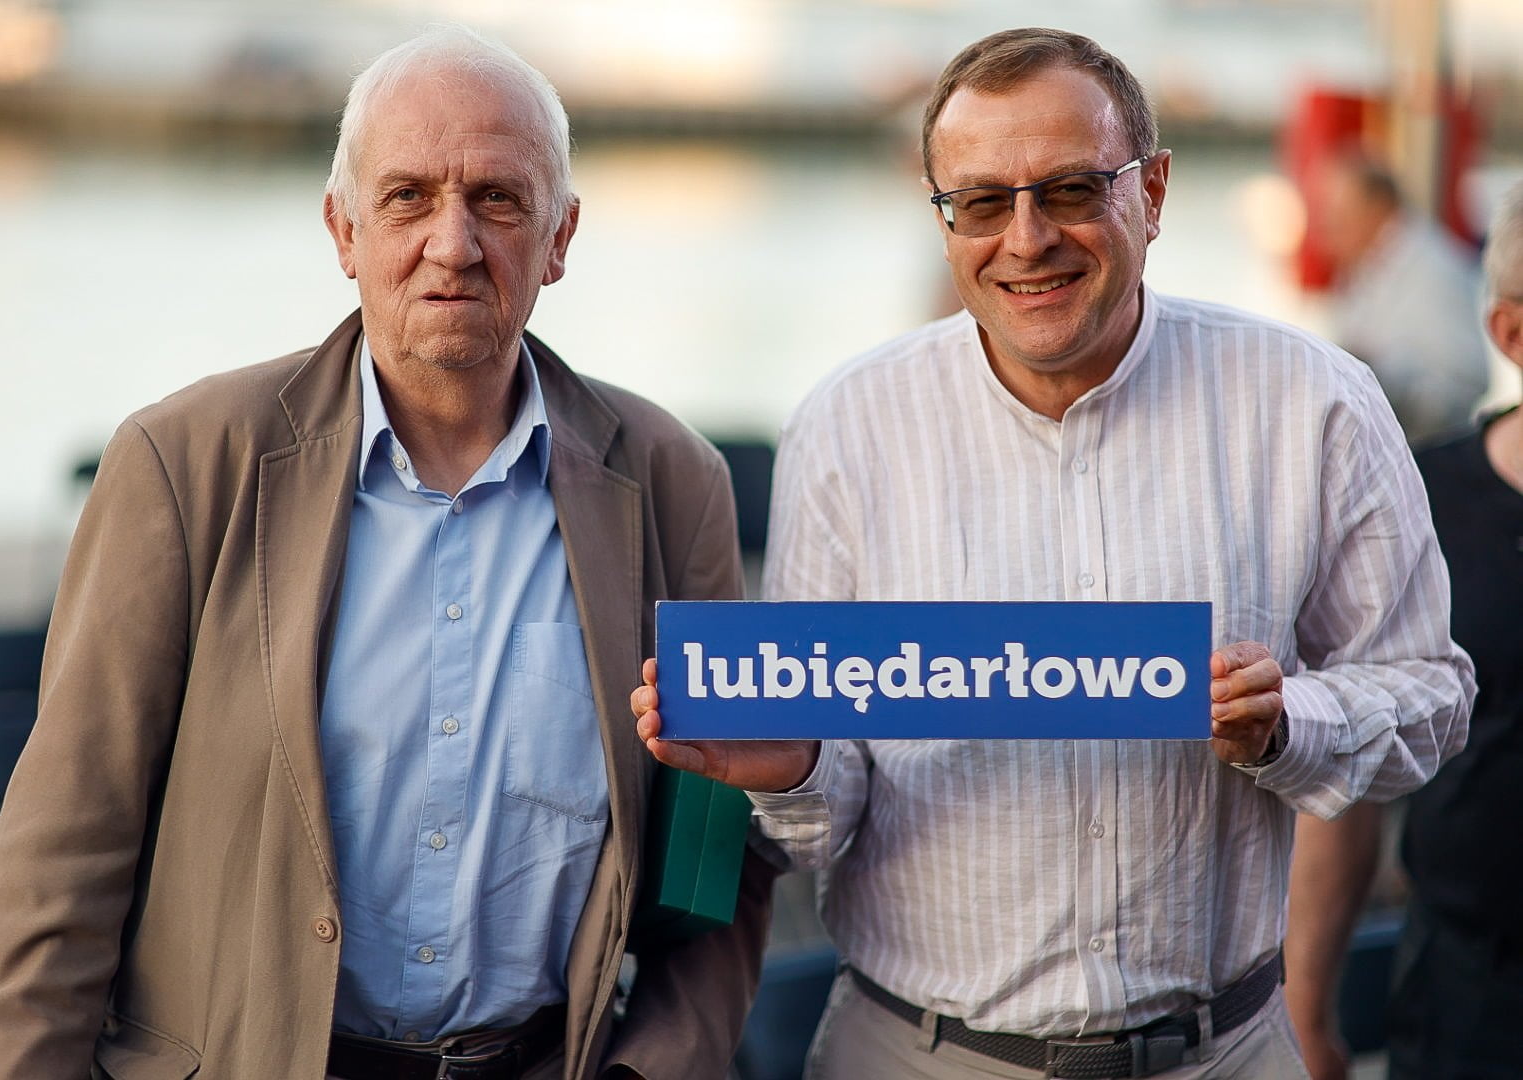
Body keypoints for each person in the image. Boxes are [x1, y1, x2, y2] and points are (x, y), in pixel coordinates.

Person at [631, 27, 1472, 1080]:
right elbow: (823, 813)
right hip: (914, 1055)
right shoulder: (847, 426)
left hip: (1223, 1050)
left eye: (1072, 190)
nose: (1026, 240)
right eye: (983, 202)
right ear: (943, 221)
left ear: (1152, 193)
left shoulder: (1315, 402)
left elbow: (1431, 696)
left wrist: (1288, 722)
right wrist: (794, 767)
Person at [0, 26, 773, 1080]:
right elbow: (61, 861)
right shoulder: (184, 466)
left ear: (560, 237)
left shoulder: (673, 485)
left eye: (498, 200)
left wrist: (647, 1071)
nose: (453, 244)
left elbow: (715, 852)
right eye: (407, 198)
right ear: (343, 229)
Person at [1287, 178, 1523, 1080]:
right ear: (1510, 333)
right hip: (1470, 1000)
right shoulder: (1421, 504)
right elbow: (1352, 765)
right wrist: (1307, 1008)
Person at [1317, 153, 1491, 446]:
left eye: (1340, 217)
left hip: (1425, 459)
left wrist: (1377, 379)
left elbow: (1468, 381)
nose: (1327, 230)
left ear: (1377, 208)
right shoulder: (1362, 267)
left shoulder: (1434, 268)